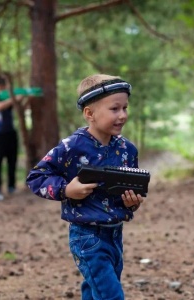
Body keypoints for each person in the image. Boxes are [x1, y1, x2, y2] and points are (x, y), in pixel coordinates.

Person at [26, 74, 145, 299]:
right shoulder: (72, 147)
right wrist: (65, 190)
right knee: (110, 295)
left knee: (95, 290)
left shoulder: (127, 150)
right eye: (114, 109)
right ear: (89, 114)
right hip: (87, 236)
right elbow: (36, 177)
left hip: (115, 234)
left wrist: (131, 202)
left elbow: (128, 193)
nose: (122, 115)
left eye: (125, 108)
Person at [0, 73, 21, 202]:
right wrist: (14, 98)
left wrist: (23, 97)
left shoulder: (7, 97)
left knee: (12, 160)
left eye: (3, 84)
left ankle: (11, 186)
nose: (1, 87)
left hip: (10, 132)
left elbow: (20, 108)